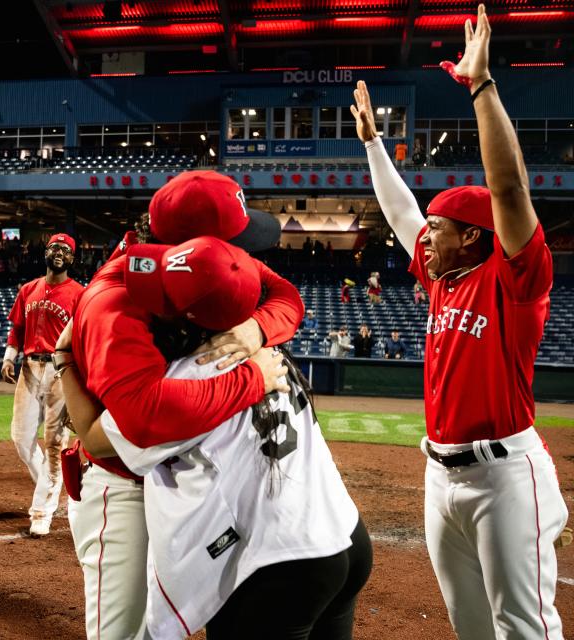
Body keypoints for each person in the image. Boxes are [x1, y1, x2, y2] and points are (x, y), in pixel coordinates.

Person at [352, 8, 567, 636]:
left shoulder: (513, 278)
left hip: (504, 475)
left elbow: (509, 189)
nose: (426, 237)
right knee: (469, 626)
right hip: (438, 473)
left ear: (474, 237)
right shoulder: (441, 279)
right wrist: (371, 144)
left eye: (439, 229)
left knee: (523, 627)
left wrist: (480, 86)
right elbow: (400, 214)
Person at [61, 236, 371, 639]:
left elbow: (95, 438)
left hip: (282, 564)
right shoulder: (272, 350)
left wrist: (63, 359)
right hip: (345, 535)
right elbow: (285, 297)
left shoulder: (190, 378)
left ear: (186, 315)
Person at [59, 171, 304, 639]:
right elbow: (144, 415)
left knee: (177, 625)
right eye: (234, 239)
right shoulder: (115, 302)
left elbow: (285, 297)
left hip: (183, 480)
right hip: (126, 482)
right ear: (196, 246)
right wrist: (251, 378)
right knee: (123, 634)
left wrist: (257, 329)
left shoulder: (199, 267)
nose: (244, 251)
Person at [0, 233, 84, 537]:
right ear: (45, 252)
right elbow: (16, 329)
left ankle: (42, 511)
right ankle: (49, 485)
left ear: (72, 258)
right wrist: (9, 358)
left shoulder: (79, 294)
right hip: (29, 366)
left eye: (65, 249)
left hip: (61, 369)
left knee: (54, 442)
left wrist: (80, 387)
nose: (58, 252)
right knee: (20, 437)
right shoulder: (28, 289)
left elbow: (84, 341)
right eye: (53, 247)